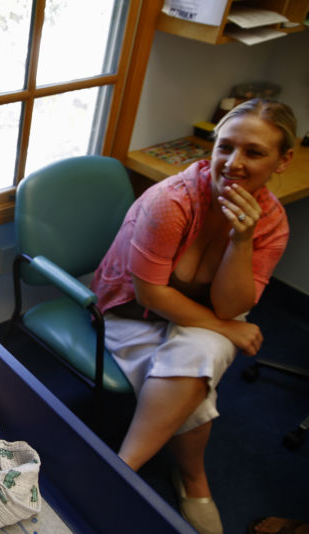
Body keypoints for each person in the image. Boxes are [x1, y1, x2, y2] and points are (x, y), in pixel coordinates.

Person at [90, 99, 296, 534]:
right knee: (198, 380)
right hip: (134, 311)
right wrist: (228, 328)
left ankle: (119, 468)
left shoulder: (273, 222)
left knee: (199, 354)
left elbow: (227, 305)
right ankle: (192, 480)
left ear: (283, 161)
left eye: (254, 152)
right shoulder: (173, 200)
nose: (233, 163)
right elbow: (151, 292)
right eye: (225, 147)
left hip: (203, 315)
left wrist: (242, 240)